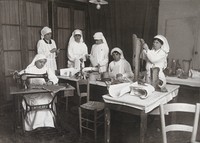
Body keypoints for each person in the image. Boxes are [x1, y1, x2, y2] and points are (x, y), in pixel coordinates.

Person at [19, 54, 59, 131]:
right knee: (37, 101)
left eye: (44, 62)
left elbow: (55, 79)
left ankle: (48, 124)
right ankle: (35, 125)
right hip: (31, 93)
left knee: (48, 100)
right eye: (40, 62)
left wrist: (50, 82)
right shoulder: (29, 69)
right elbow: (21, 74)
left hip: (44, 92)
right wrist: (20, 75)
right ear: (36, 61)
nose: (42, 64)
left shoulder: (47, 69)